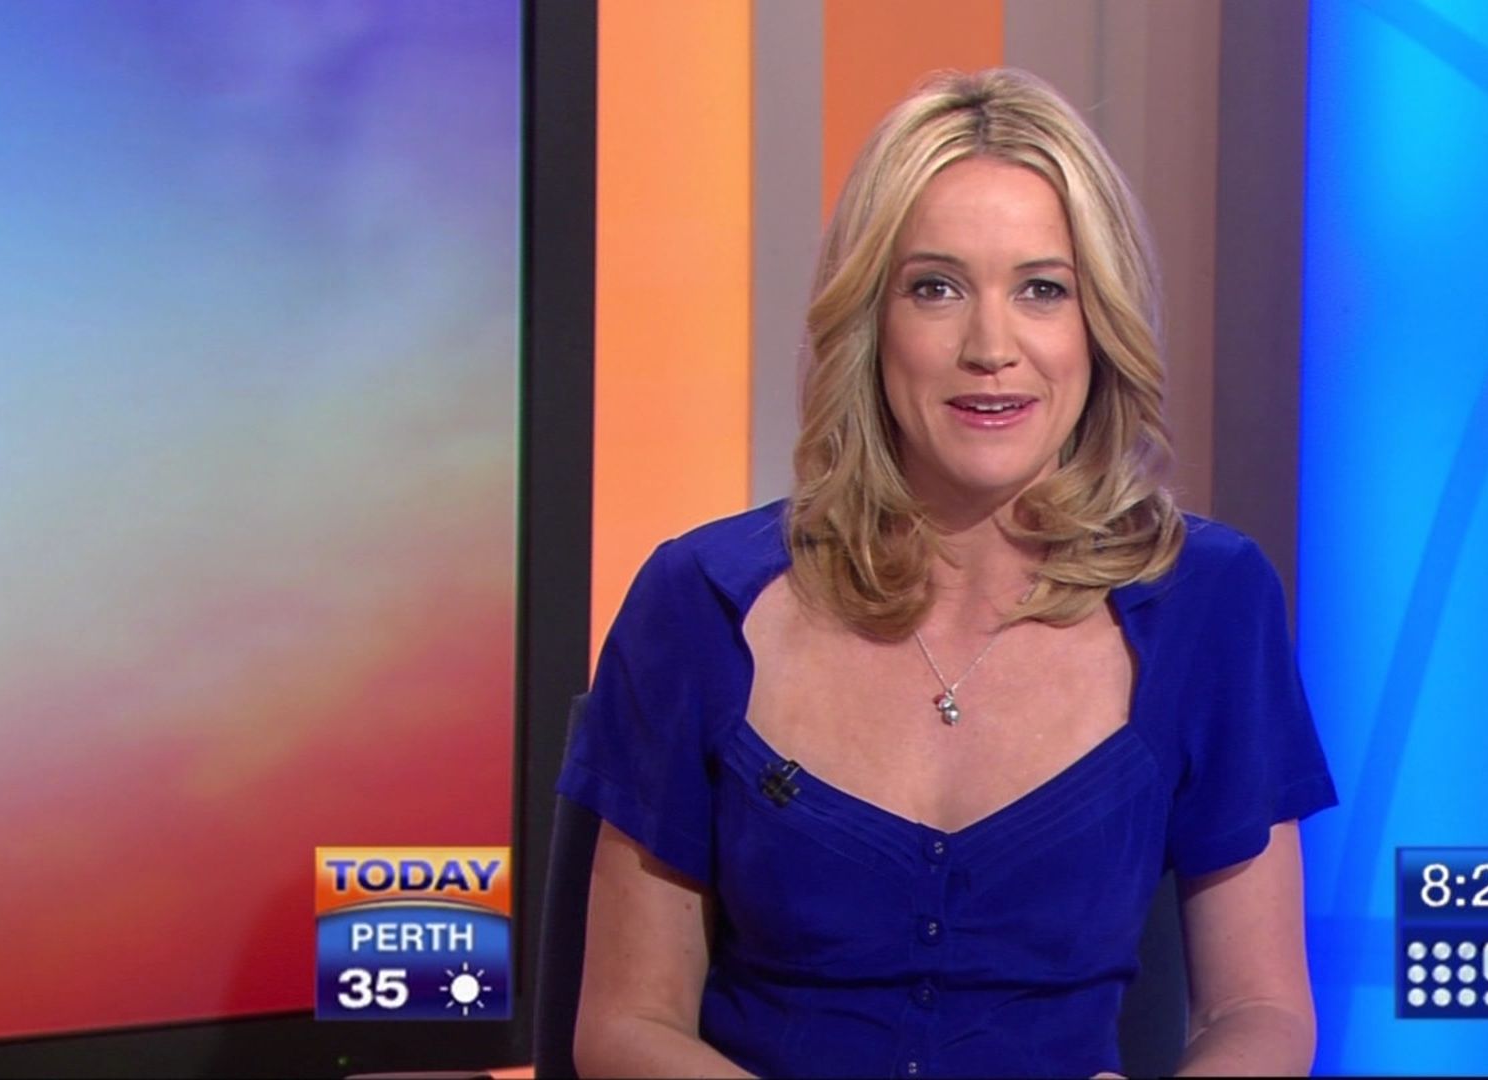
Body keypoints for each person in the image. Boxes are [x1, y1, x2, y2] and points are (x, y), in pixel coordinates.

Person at [560, 68, 1336, 1079]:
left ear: (1095, 326)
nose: (991, 347)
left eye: (1042, 290)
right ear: (870, 322)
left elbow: (1261, 1011)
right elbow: (625, 1026)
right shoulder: (699, 602)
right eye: (936, 288)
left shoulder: (1209, 603)